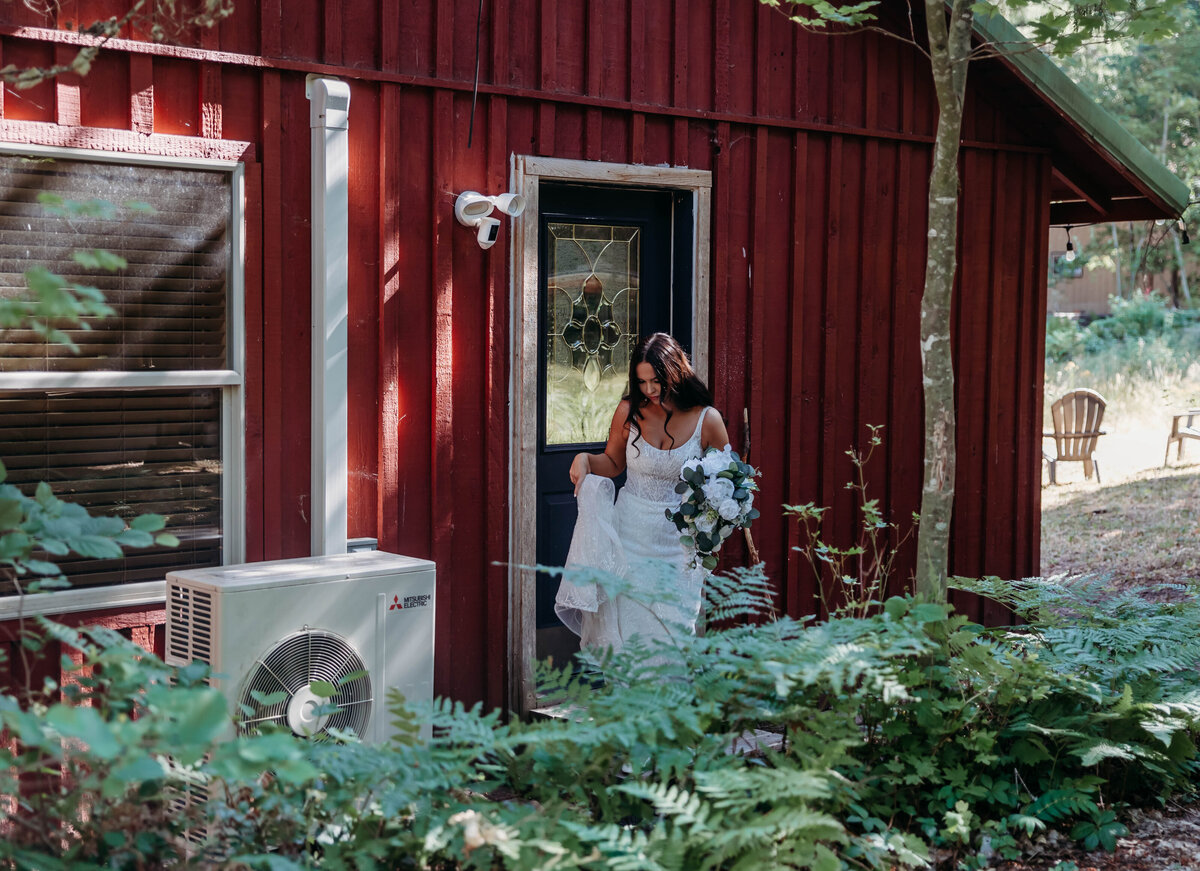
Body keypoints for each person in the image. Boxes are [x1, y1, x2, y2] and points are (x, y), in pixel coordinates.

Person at [554, 332, 731, 652]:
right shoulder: (628, 411)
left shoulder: (708, 420)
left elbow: (730, 481)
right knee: (627, 635)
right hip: (628, 539)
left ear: (676, 372)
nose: (649, 390)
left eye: (656, 381)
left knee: (671, 636)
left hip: (679, 546)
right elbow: (612, 462)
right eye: (642, 382)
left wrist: (712, 522)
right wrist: (584, 459)